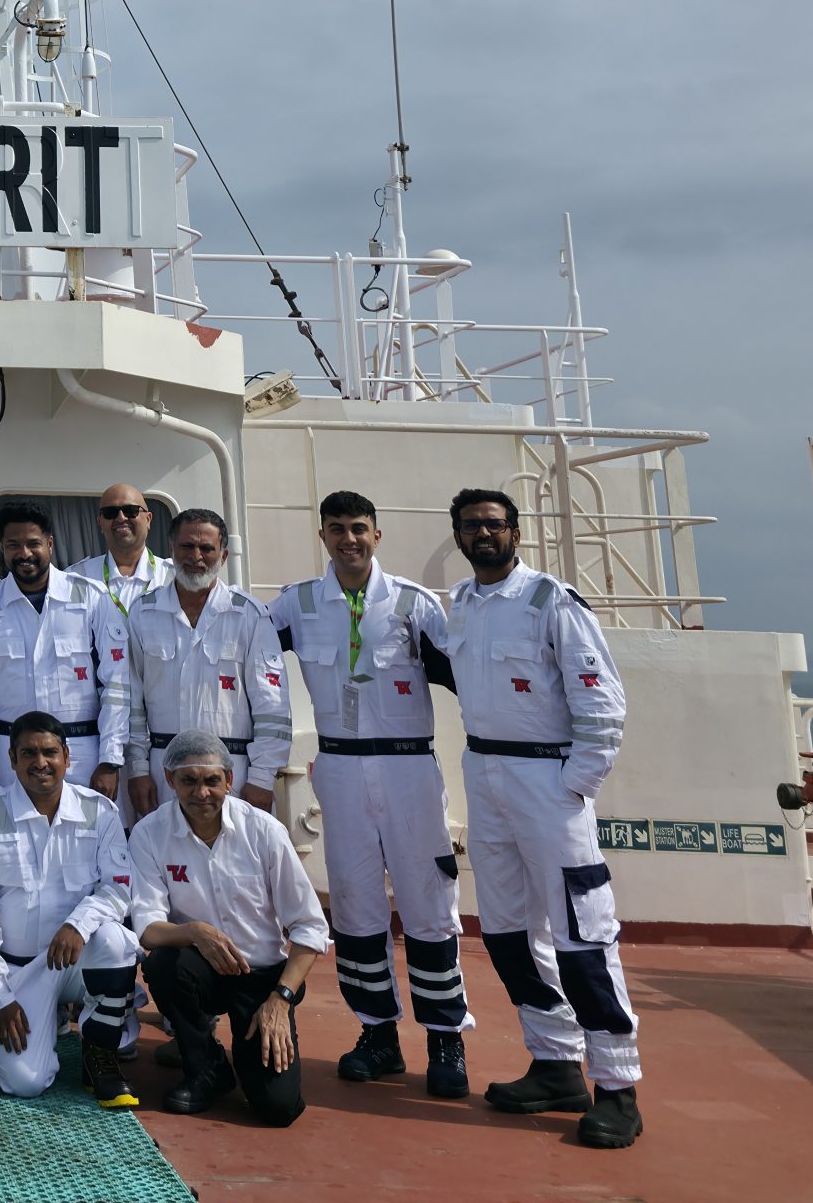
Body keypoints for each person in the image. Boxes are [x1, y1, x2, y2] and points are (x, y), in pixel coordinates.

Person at [445, 488, 642, 1149]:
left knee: (583, 935)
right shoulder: (461, 603)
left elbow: (602, 703)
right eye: (471, 525)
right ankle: (556, 1062)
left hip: (547, 780)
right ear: (458, 534)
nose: (483, 534)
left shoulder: (551, 601)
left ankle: (616, 1085)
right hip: (485, 774)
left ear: (515, 531)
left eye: (494, 524)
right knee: (506, 931)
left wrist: (573, 787)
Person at [266, 488, 471, 1096]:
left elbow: (468, 676)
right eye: (336, 529)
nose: (348, 539)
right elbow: (239, 646)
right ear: (323, 537)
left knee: (428, 903)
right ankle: (377, 1034)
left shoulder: (412, 602)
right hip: (341, 767)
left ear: (376, 535)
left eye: (358, 528)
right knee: (355, 906)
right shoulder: (298, 604)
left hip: (409, 769)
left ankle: (445, 1040)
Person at [131, 731, 327, 1126]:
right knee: (163, 965)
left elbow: (310, 928)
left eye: (212, 781)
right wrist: (195, 932)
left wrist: (280, 1000)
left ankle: (242, 1042)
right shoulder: (149, 834)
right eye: (188, 780)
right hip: (200, 970)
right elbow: (148, 929)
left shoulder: (264, 831)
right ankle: (207, 1066)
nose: (201, 792)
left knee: (277, 1109)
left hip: (262, 979)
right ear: (169, 779)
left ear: (229, 779)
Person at [0, 712, 142, 1106]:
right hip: (17, 969)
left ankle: (100, 1055)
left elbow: (118, 889)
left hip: (76, 959)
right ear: (11, 759)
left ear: (67, 756)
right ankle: (39, 1019)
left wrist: (78, 924)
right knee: (24, 1083)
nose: (40, 762)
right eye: (28, 753)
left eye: (49, 752)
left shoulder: (100, 811)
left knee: (116, 941)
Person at [0, 501, 126, 803]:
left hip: (83, 755)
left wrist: (110, 760)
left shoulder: (90, 598)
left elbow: (116, 686)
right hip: (14, 758)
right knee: (17, 833)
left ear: (50, 543)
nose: (24, 554)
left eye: (33, 543)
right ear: (1, 547)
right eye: (13, 545)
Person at [122, 510, 289, 815]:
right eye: (187, 546)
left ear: (223, 555)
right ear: (172, 550)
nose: (196, 556)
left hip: (233, 772)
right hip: (164, 772)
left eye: (206, 548)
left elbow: (272, 704)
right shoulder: (143, 613)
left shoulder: (249, 615)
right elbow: (132, 700)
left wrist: (263, 778)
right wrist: (137, 768)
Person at [73, 484, 171, 613]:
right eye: (110, 513)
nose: (121, 518)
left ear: (148, 520)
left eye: (130, 510)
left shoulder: (174, 577)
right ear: (100, 522)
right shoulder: (77, 578)